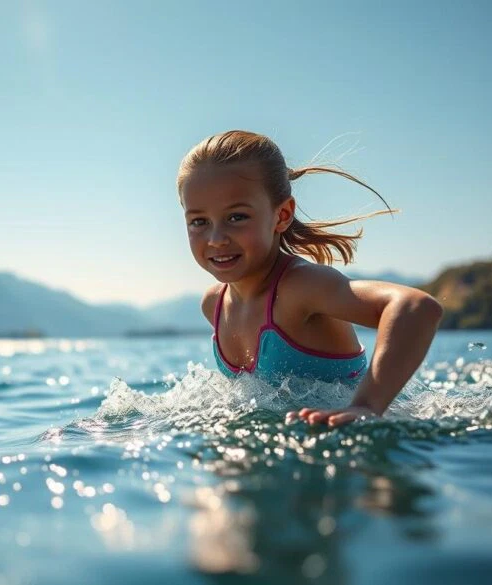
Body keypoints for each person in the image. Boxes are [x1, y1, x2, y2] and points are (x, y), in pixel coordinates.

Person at [178, 130, 443, 427]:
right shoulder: (214, 304)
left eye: (237, 217)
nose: (216, 239)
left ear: (282, 215)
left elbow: (417, 307)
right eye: (199, 222)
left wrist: (366, 406)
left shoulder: (300, 288)